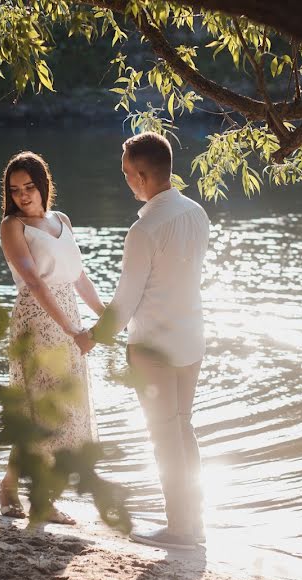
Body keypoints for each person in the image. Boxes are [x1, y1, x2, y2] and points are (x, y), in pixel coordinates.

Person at [75, 132, 211, 550]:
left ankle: (180, 529)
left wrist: (91, 338)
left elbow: (126, 301)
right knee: (182, 430)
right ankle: (194, 522)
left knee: (164, 437)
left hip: (154, 348)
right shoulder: (196, 213)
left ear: (142, 175)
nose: (125, 182)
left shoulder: (144, 229)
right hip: (191, 339)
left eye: (126, 175)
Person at [0, 151, 105, 524]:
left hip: (68, 310)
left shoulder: (62, 220)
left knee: (62, 410)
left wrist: (104, 315)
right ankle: (25, 494)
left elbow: (78, 276)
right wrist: (73, 330)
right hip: (36, 319)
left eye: (29, 187)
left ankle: (21, 490)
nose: (23, 196)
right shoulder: (12, 226)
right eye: (15, 190)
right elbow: (33, 281)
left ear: (43, 185)